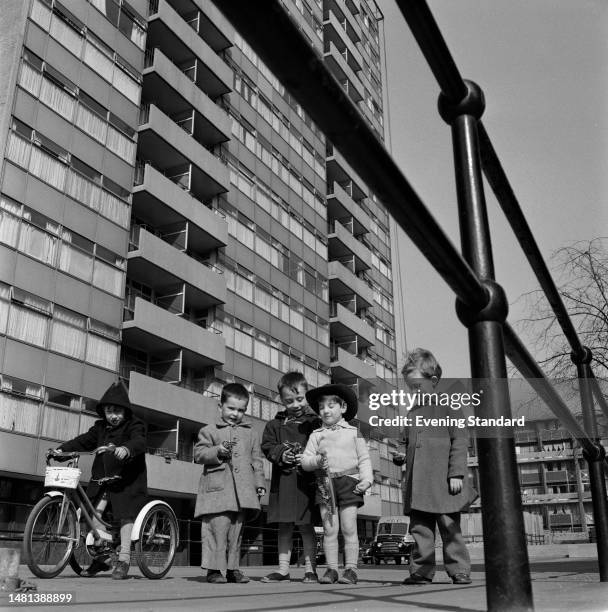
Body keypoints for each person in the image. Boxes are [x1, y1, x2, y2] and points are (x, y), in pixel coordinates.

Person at [392, 348, 477, 586]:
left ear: (434, 381)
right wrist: (400, 453)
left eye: (417, 386)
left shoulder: (449, 406)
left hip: (443, 480)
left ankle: (459, 569)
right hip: (418, 483)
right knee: (420, 530)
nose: (414, 391)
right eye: (410, 387)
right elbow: (404, 440)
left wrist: (457, 473)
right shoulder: (411, 413)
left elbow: (460, 440)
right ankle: (421, 571)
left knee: (450, 528)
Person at [56, 380, 147, 580]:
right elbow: (83, 441)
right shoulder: (100, 428)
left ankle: (123, 559)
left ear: (125, 411)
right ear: (103, 412)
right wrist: (62, 449)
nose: (113, 416)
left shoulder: (134, 424)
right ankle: (103, 558)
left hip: (126, 480)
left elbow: (139, 440)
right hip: (102, 480)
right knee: (91, 514)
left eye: (118, 411)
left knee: (125, 514)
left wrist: (126, 449)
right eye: (109, 411)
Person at [194, 383, 266, 584]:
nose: (236, 413)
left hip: (242, 491)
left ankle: (233, 569)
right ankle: (214, 569)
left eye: (241, 410)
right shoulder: (208, 431)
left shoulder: (250, 433)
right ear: (220, 406)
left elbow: (256, 460)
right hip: (217, 490)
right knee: (216, 529)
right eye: (231, 408)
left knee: (236, 531)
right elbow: (199, 454)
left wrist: (259, 482)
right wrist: (217, 451)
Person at [301, 384, 372, 585]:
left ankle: (350, 569)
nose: (325, 410)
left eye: (331, 406)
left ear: (343, 408)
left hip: (350, 483)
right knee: (329, 529)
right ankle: (331, 569)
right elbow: (305, 461)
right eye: (321, 407)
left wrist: (366, 480)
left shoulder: (354, 432)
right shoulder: (316, 435)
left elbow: (364, 458)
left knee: (349, 528)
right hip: (325, 484)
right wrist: (316, 461)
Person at [261, 372, 320, 583]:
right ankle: (283, 569)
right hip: (284, 483)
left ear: (307, 396)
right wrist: (280, 453)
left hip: (306, 483)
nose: (295, 404)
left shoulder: (315, 422)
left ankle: (310, 570)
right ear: (281, 399)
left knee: (306, 526)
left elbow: (323, 445)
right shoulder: (273, 425)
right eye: (289, 400)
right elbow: (267, 447)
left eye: (300, 399)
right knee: (284, 525)